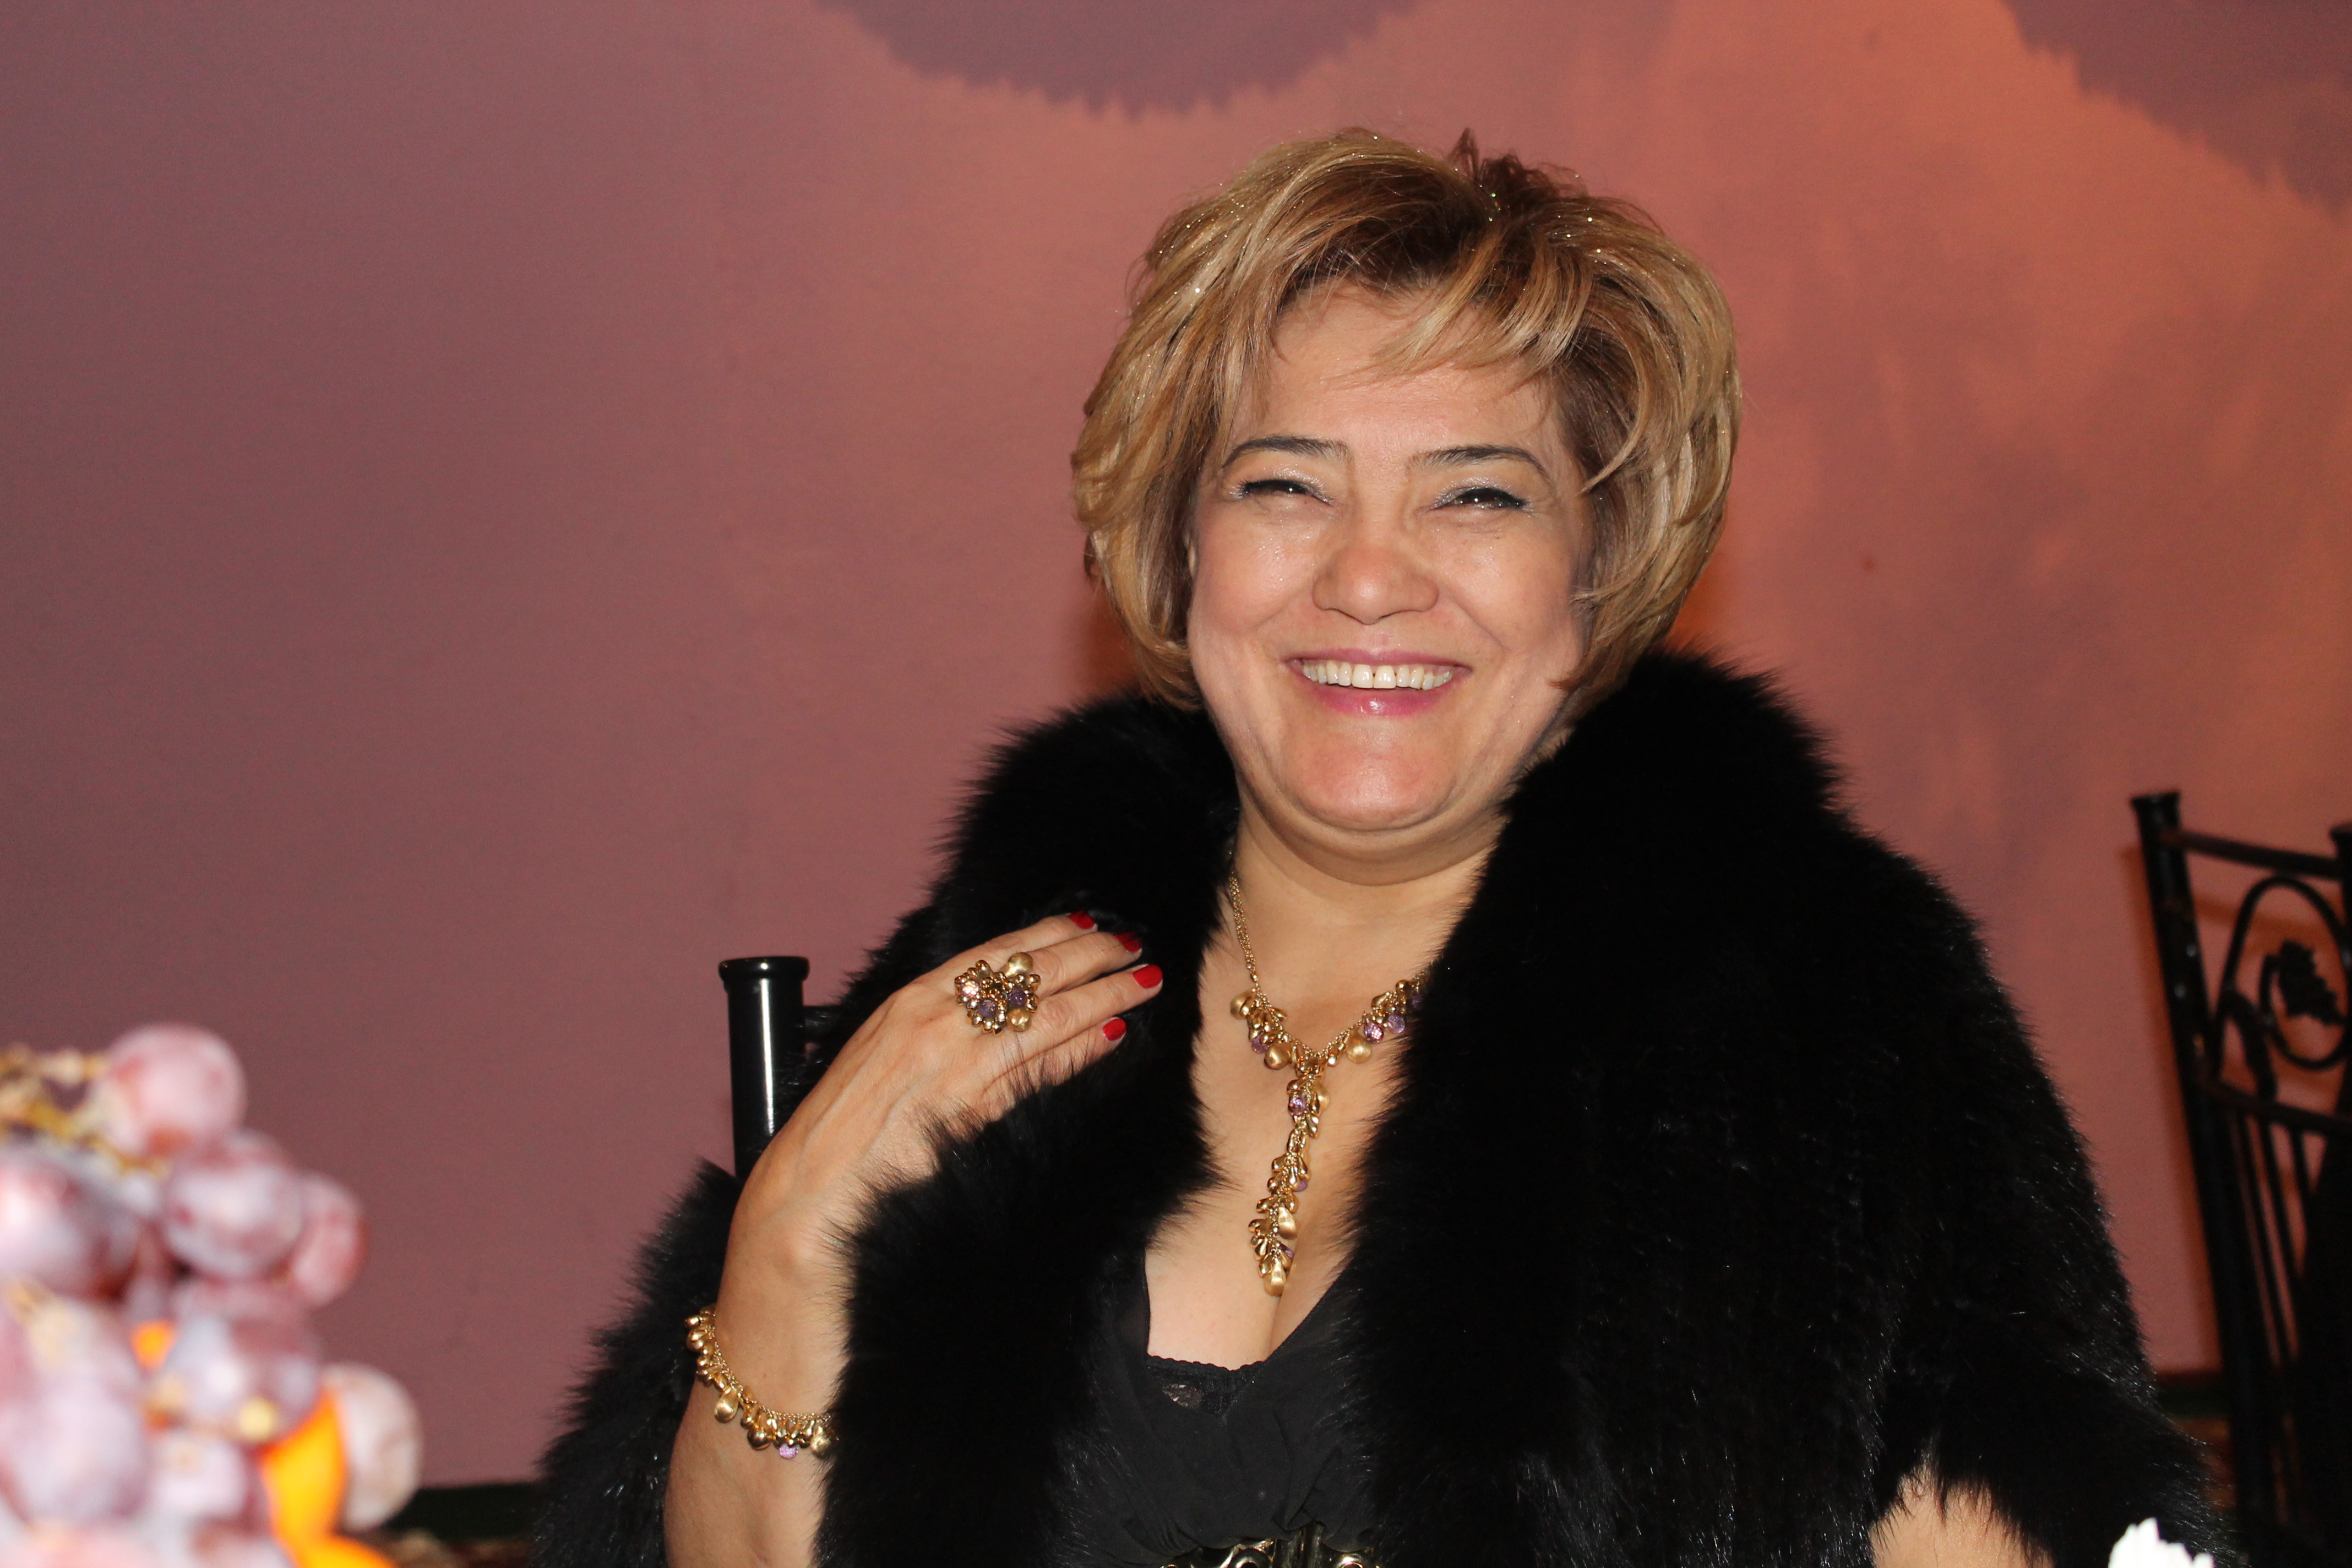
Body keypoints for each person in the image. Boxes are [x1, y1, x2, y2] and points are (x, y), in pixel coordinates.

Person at [535, 130, 2218, 1568]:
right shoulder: (990, 993)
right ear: (1181, 550)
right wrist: (777, 1261)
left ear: (1597, 572)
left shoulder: (1828, 1015)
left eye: (1477, 494)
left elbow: (2020, 1503)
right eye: (1286, 485)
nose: (1367, 576)